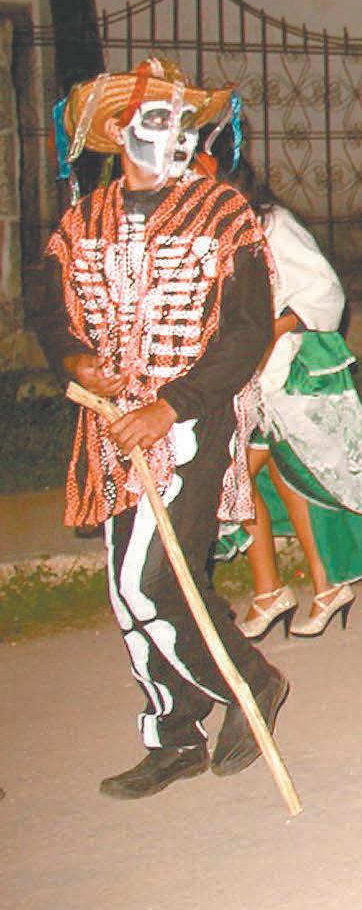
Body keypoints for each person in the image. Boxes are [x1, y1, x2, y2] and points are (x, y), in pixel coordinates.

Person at [28, 60, 287, 799]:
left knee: (149, 582)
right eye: (155, 119)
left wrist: (171, 405)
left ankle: (251, 683)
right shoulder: (80, 223)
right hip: (112, 428)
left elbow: (247, 330)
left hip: (190, 423)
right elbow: (49, 313)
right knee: (130, 589)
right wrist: (77, 361)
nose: (176, 135)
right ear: (116, 131)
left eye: (183, 121)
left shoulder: (223, 214)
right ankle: (174, 733)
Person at [227, 160, 362, 640]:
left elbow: (323, 290)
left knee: (247, 476)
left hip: (285, 374)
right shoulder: (212, 226)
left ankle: (288, 589)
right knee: (265, 477)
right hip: (244, 376)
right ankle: (304, 589)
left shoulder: (273, 223)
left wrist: (272, 330)